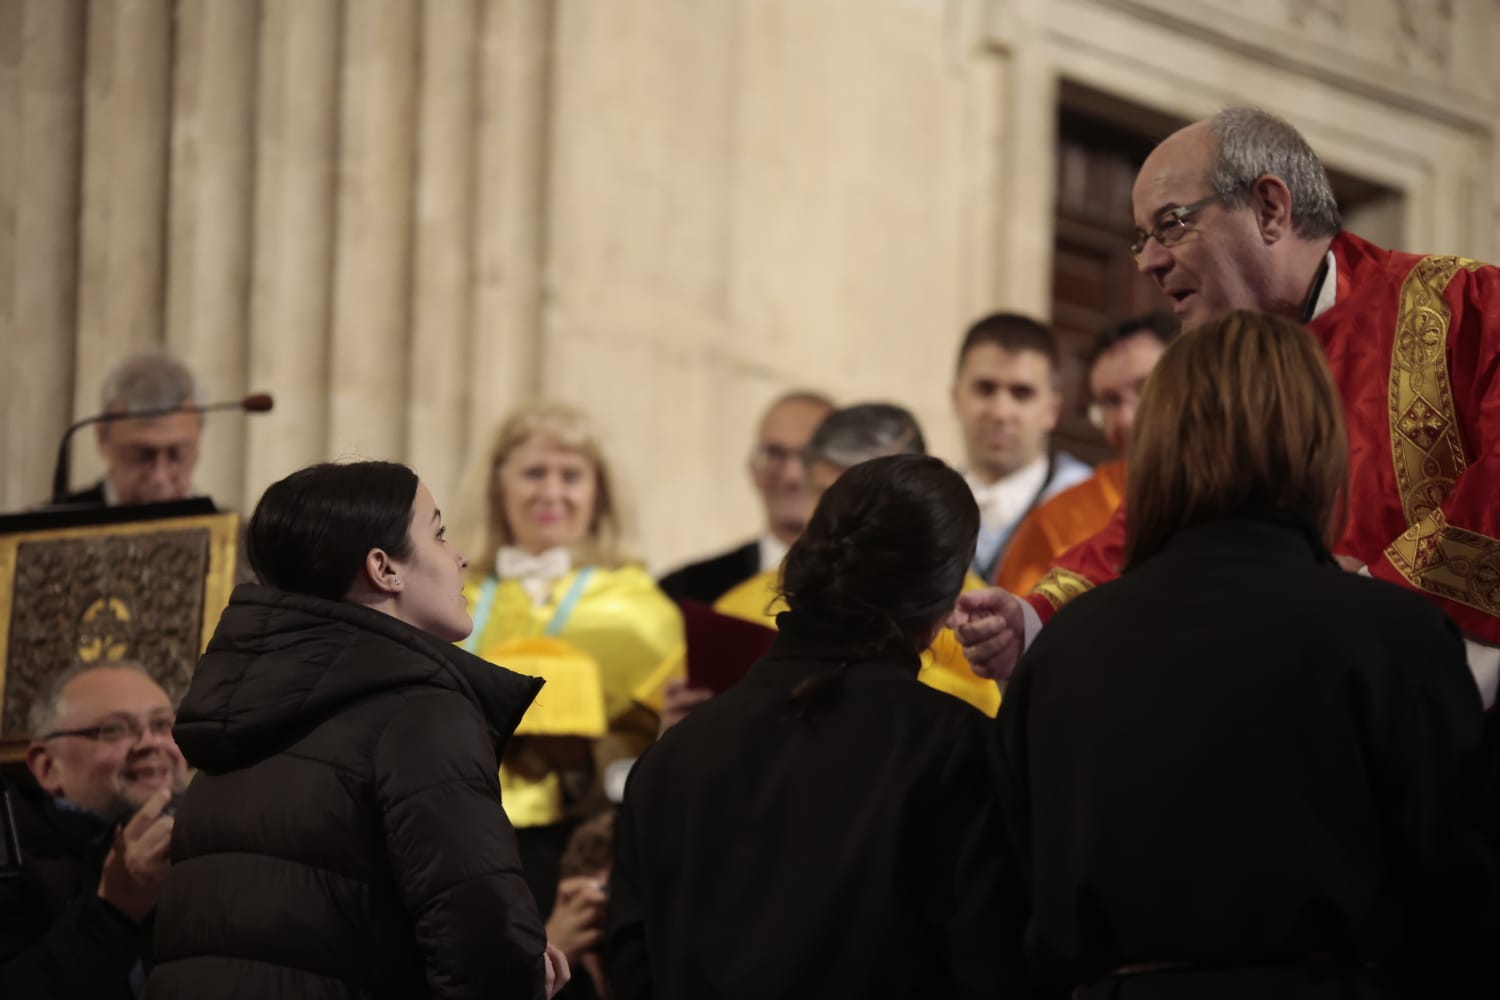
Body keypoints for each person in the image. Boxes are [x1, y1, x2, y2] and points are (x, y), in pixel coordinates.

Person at [995, 311, 1494, 998]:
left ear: (1157, 449)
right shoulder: (1393, 636)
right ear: (1319, 444)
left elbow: (1015, 899)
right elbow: (1463, 897)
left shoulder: (1063, 653)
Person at [956, 106, 1500, 703]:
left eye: (1171, 224)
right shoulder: (1215, 379)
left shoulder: (1464, 306)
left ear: (1270, 209)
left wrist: (1369, 603)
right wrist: (1034, 617)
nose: (1147, 263)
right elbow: (1154, 523)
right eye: (1142, 240)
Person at [145, 461, 568, 999]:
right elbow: (485, 940)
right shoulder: (421, 713)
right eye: (438, 534)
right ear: (384, 568)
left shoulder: (238, 712)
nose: (460, 557)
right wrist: (524, 976)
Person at [609, 454, 1021, 1000]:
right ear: (946, 596)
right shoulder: (957, 748)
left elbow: (633, 967)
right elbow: (993, 961)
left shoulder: (671, 757)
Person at [460, 403, 682, 917]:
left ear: (598, 493)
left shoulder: (639, 610)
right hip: (449, 833)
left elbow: (665, 748)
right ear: (498, 487)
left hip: (577, 848)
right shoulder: (453, 592)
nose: (552, 493)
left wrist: (586, 763)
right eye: (534, 473)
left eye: (572, 476)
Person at [706, 403, 1000, 717]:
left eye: (864, 500)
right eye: (825, 493)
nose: (839, 517)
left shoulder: (976, 623)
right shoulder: (737, 609)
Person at [0, 662, 188, 1000]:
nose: (151, 743)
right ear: (48, 766)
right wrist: (113, 912)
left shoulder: (220, 837)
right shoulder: (11, 856)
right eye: (113, 729)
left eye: (162, 724)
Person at [994, 312, 1176, 594]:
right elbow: (1022, 626)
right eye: (1110, 401)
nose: (1126, 418)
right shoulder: (1058, 519)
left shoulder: (1237, 487)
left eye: (1144, 388)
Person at [951, 312, 1092, 581]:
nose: (1001, 412)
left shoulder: (1091, 505)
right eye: (985, 388)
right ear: (956, 397)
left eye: (1022, 393)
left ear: (1052, 410)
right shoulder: (927, 507)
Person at [658, 391, 834, 605]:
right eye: (775, 453)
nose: (792, 475)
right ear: (753, 468)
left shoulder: (874, 588)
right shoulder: (688, 592)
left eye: (809, 456)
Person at [56, 354, 203, 507]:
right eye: (141, 456)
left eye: (177, 455)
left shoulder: (226, 527)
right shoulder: (51, 528)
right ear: (102, 438)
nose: (159, 478)